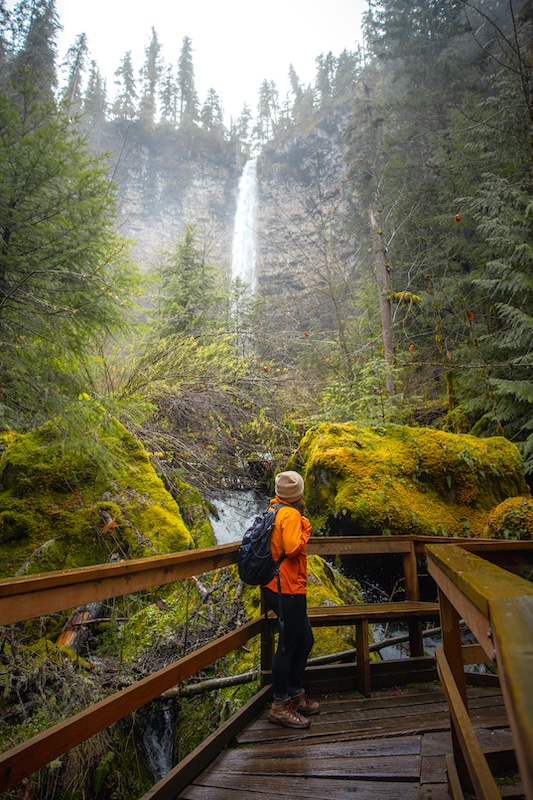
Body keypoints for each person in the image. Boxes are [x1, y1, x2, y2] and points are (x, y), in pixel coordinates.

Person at [262, 469, 320, 729]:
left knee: (304, 639)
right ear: (298, 494)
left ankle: (295, 693)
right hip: (288, 589)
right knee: (287, 645)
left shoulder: (274, 510)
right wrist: (306, 529)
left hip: (277, 587)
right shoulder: (292, 515)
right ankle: (280, 705)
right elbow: (292, 548)